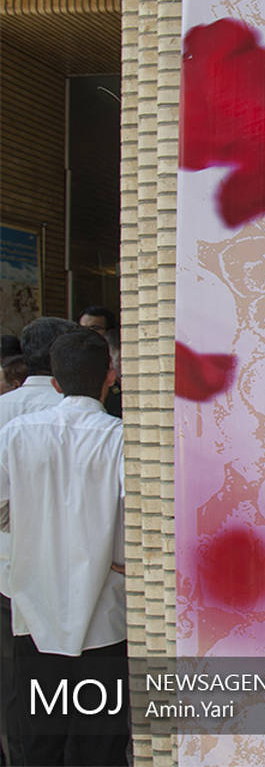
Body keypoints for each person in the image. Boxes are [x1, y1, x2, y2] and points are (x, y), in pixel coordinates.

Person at [0, 328, 128, 765]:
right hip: (105, 616)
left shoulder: (16, 434)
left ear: (54, 382)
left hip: (35, 615)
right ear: (111, 375)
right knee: (100, 748)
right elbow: (140, 520)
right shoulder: (120, 439)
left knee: (40, 745)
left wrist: (26, 527)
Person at [0, 317, 77, 764]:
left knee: (16, 680)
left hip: (10, 569)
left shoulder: (3, 410)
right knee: (73, 678)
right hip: (74, 568)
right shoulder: (83, 413)